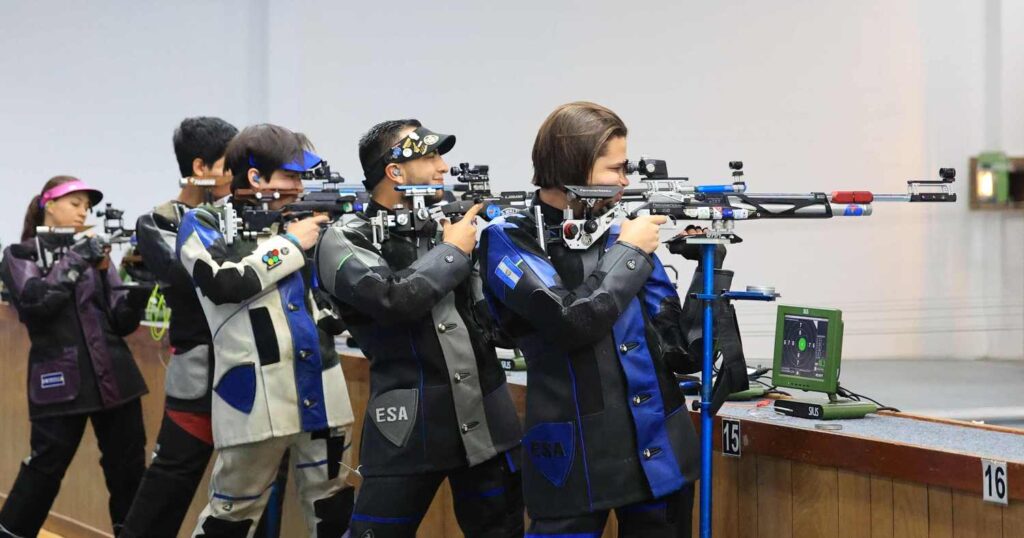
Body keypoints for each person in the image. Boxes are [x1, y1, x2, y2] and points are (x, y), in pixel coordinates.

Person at [478, 102, 701, 537]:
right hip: (572, 461)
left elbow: (678, 350)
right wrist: (631, 251)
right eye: (615, 169)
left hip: (659, 455)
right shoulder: (508, 238)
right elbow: (570, 321)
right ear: (574, 169)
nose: (625, 181)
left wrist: (710, 270)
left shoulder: (620, 232)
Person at [314, 120, 523, 537]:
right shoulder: (344, 238)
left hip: (488, 421)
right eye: (429, 157)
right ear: (394, 171)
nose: (443, 167)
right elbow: (394, 300)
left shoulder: (450, 229)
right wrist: (452, 251)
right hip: (406, 427)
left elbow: (497, 324)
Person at [177, 124, 354, 538]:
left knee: (334, 506)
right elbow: (223, 283)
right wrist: (291, 244)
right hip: (253, 397)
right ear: (256, 178)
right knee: (231, 516)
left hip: (322, 390)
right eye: (290, 177)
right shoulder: (204, 221)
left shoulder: (302, 221)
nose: (299, 187)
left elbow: (331, 302)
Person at [0, 176, 149, 538]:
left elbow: (121, 321)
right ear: (48, 204)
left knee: (128, 472)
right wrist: (79, 257)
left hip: (116, 377)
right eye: (75, 203)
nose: (84, 212)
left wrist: (141, 284)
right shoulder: (20, 254)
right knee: (44, 470)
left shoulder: (96, 258)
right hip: (59, 380)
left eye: (87, 206)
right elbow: (36, 303)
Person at [121, 116, 238, 538]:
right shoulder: (155, 221)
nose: (237, 174)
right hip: (197, 373)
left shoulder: (241, 216)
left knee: (248, 494)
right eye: (229, 164)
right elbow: (187, 276)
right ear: (200, 167)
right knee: (167, 486)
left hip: (247, 368)